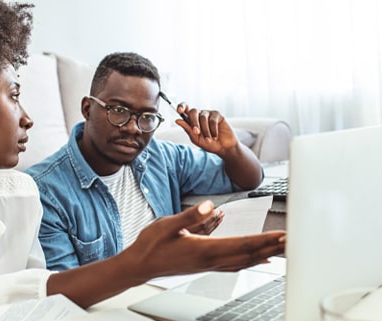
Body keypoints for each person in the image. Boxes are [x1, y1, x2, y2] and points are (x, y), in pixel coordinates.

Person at [0, 1, 286, 321]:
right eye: (14, 96)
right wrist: (138, 264)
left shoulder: (18, 194)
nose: (28, 118)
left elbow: (42, 311)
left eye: (144, 117)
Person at [26, 52, 265, 271]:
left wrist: (231, 149)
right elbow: (63, 292)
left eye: (147, 117)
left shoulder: (162, 158)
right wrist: (159, 249)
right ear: (87, 109)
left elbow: (248, 179)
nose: (133, 128)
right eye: (119, 111)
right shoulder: (45, 191)